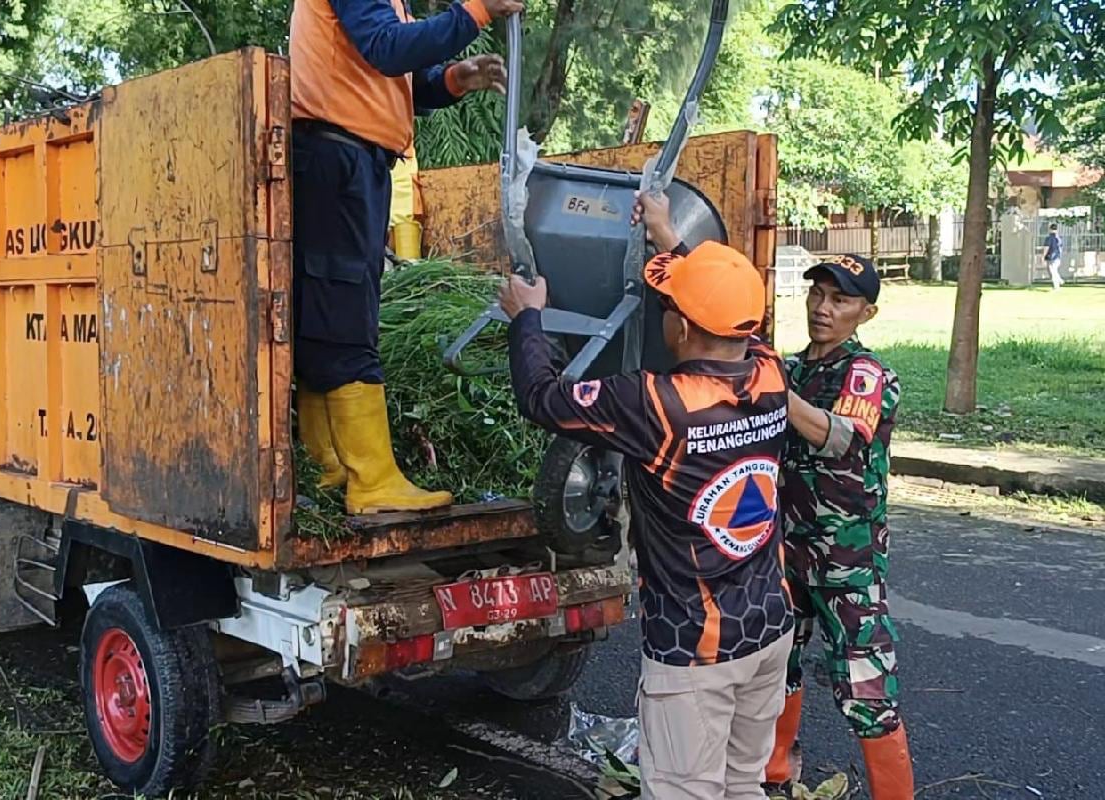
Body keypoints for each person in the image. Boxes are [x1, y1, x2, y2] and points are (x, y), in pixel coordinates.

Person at [499, 198, 793, 799]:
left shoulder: (655, 405)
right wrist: (669, 238)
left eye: (667, 306)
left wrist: (528, 318)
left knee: (684, 792)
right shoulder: (769, 374)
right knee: (743, 786)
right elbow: (727, 317)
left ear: (680, 328)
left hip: (696, 648)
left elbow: (543, 399)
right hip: (769, 630)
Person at [290, 0, 521, 514]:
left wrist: (454, 80)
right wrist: (478, 10)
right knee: (344, 318)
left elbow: (390, 74)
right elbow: (388, 49)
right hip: (338, 159)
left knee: (331, 314)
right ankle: (370, 481)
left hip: (348, 161)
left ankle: (327, 466)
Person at [764, 255, 914, 799]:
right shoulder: (792, 367)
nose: (823, 309)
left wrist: (775, 394)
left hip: (847, 564)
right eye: (817, 295)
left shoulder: (867, 374)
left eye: (840, 300)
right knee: (775, 669)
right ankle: (773, 777)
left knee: (867, 692)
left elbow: (845, 437)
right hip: (785, 552)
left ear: (865, 312)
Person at [1043, 223, 1063, 290]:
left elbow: (1046, 247)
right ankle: (1059, 280)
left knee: (1053, 271)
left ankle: (1056, 286)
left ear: (1050, 229)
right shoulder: (1059, 238)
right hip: (1058, 257)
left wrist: (1044, 256)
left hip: (1051, 257)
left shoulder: (1049, 238)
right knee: (1054, 271)